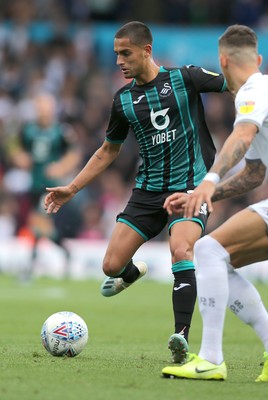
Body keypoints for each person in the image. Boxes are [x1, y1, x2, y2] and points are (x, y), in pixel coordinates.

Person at [44, 21, 227, 363]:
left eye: (125, 53)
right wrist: (72, 187)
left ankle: (181, 336)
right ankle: (132, 273)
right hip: (147, 192)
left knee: (181, 249)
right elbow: (107, 151)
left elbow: (234, 85)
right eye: (116, 54)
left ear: (146, 50)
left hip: (190, 186)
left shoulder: (185, 78)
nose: (119, 61)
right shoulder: (124, 100)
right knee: (111, 265)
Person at [161, 24, 268, 381]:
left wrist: (208, 181)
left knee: (207, 250)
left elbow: (241, 137)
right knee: (218, 264)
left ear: (222, 60)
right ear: (257, 58)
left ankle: (210, 358)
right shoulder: (265, 94)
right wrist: (201, 195)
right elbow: (253, 176)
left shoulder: (255, 91)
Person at [12, 92, 81, 280]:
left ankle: (29, 268)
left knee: (37, 224)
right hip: (34, 184)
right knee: (43, 228)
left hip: (51, 187)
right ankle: (65, 251)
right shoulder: (28, 130)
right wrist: (20, 158)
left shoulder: (61, 130)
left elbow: (74, 153)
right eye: (39, 106)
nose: (42, 110)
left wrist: (61, 167)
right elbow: (15, 147)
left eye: (45, 106)